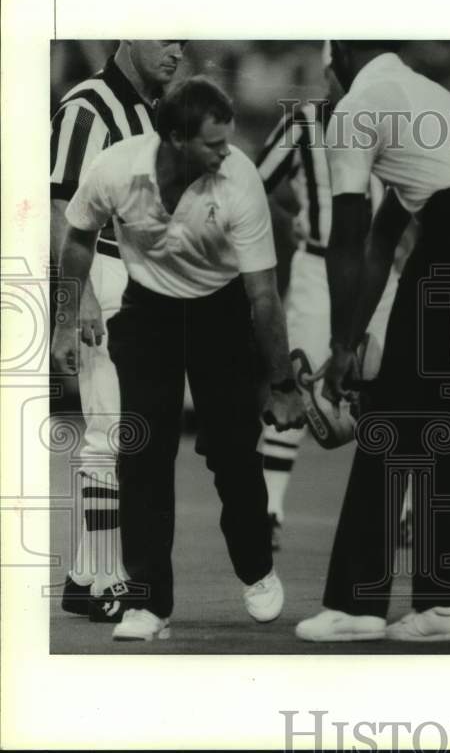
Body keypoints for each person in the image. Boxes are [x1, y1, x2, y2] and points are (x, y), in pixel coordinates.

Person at [294, 41, 450, 643]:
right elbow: (385, 239)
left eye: (328, 71)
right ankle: (444, 605)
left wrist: (341, 344)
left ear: (340, 59)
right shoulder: (421, 96)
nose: (326, 83)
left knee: (389, 418)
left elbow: (350, 235)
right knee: (437, 426)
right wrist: (350, 343)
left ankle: (356, 605)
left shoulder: (358, 107)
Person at [51, 76, 305, 642]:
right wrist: (67, 318)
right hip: (148, 312)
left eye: (227, 141)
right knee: (142, 450)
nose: (227, 153)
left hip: (219, 311)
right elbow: (76, 238)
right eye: (213, 144)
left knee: (234, 454)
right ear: (172, 138)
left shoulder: (238, 181)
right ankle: (147, 602)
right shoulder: (116, 168)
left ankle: (256, 568)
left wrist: (283, 382)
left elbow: (263, 295)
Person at [254, 42, 410, 549]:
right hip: (320, 266)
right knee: (298, 378)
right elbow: (255, 186)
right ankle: (269, 507)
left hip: (376, 267)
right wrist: (293, 218)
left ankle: (403, 509)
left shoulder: (387, 112)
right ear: (331, 70)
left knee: (390, 381)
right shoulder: (304, 122)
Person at [50, 40, 186, 621]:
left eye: (184, 39)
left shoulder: (152, 111)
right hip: (100, 273)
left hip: (139, 279)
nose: (177, 51)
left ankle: (86, 575)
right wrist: (70, 304)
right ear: (129, 35)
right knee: (111, 432)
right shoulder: (88, 106)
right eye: (165, 38)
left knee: (129, 431)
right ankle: (106, 577)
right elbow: (61, 213)